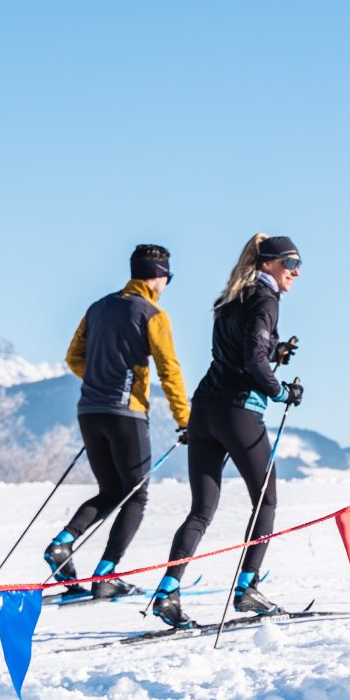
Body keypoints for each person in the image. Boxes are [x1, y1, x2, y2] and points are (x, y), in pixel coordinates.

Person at [150, 233, 305, 629]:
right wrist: (281, 389)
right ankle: (247, 588)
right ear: (270, 263)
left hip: (205, 410)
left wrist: (274, 353)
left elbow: (237, 353)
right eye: (290, 263)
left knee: (201, 509)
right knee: (265, 502)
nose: (296, 272)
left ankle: (168, 591)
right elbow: (253, 359)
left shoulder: (230, 297)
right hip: (239, 411)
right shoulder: (266, 299)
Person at [42, 243, 191, 600]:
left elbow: (72, 356)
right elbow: (169, 369)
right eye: (168, 277)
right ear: (159, 276)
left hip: (89, 410)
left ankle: (62, 544)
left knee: (111, 490)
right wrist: (185, 419)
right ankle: (105, 575)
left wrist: (98, 381)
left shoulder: (98, 307)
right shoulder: (152, 313)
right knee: (136, 496)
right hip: (126, 413)